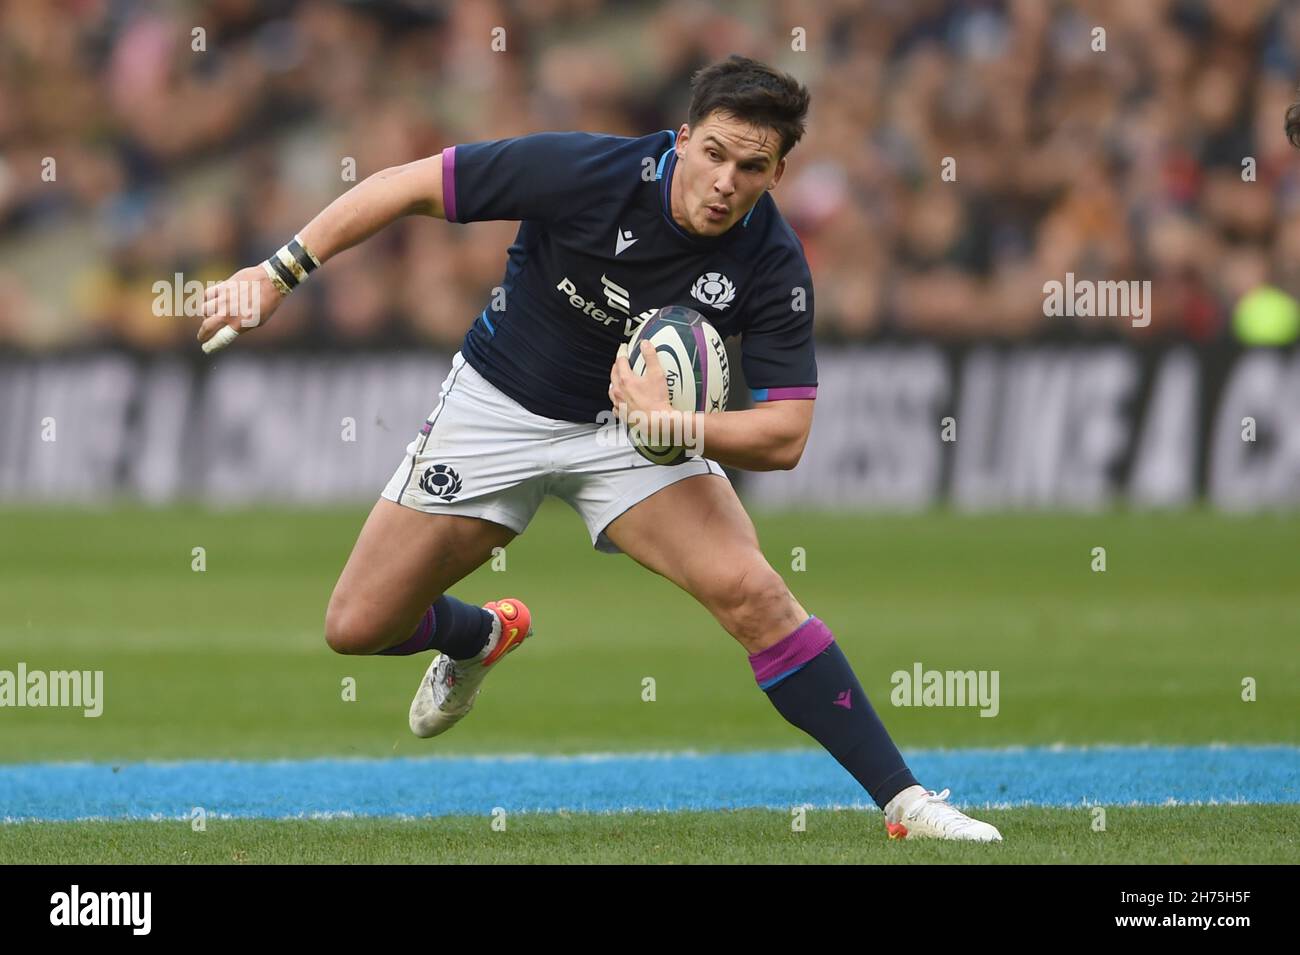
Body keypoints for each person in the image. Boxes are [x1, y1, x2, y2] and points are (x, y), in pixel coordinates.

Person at [198, 54, 1001, 841]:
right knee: (357, 624)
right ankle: (477, 635)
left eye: (751, 167)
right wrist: (278, 273)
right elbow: (406, 184)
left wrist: (673, 427)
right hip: (500, 403)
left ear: (778, 173)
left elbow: (787, 435)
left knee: (754, 594)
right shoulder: (583, 169)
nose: (725, 181)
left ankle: (906, 801)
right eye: (714, 153)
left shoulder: (772, 260)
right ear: (682, 137)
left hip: (633, 438)